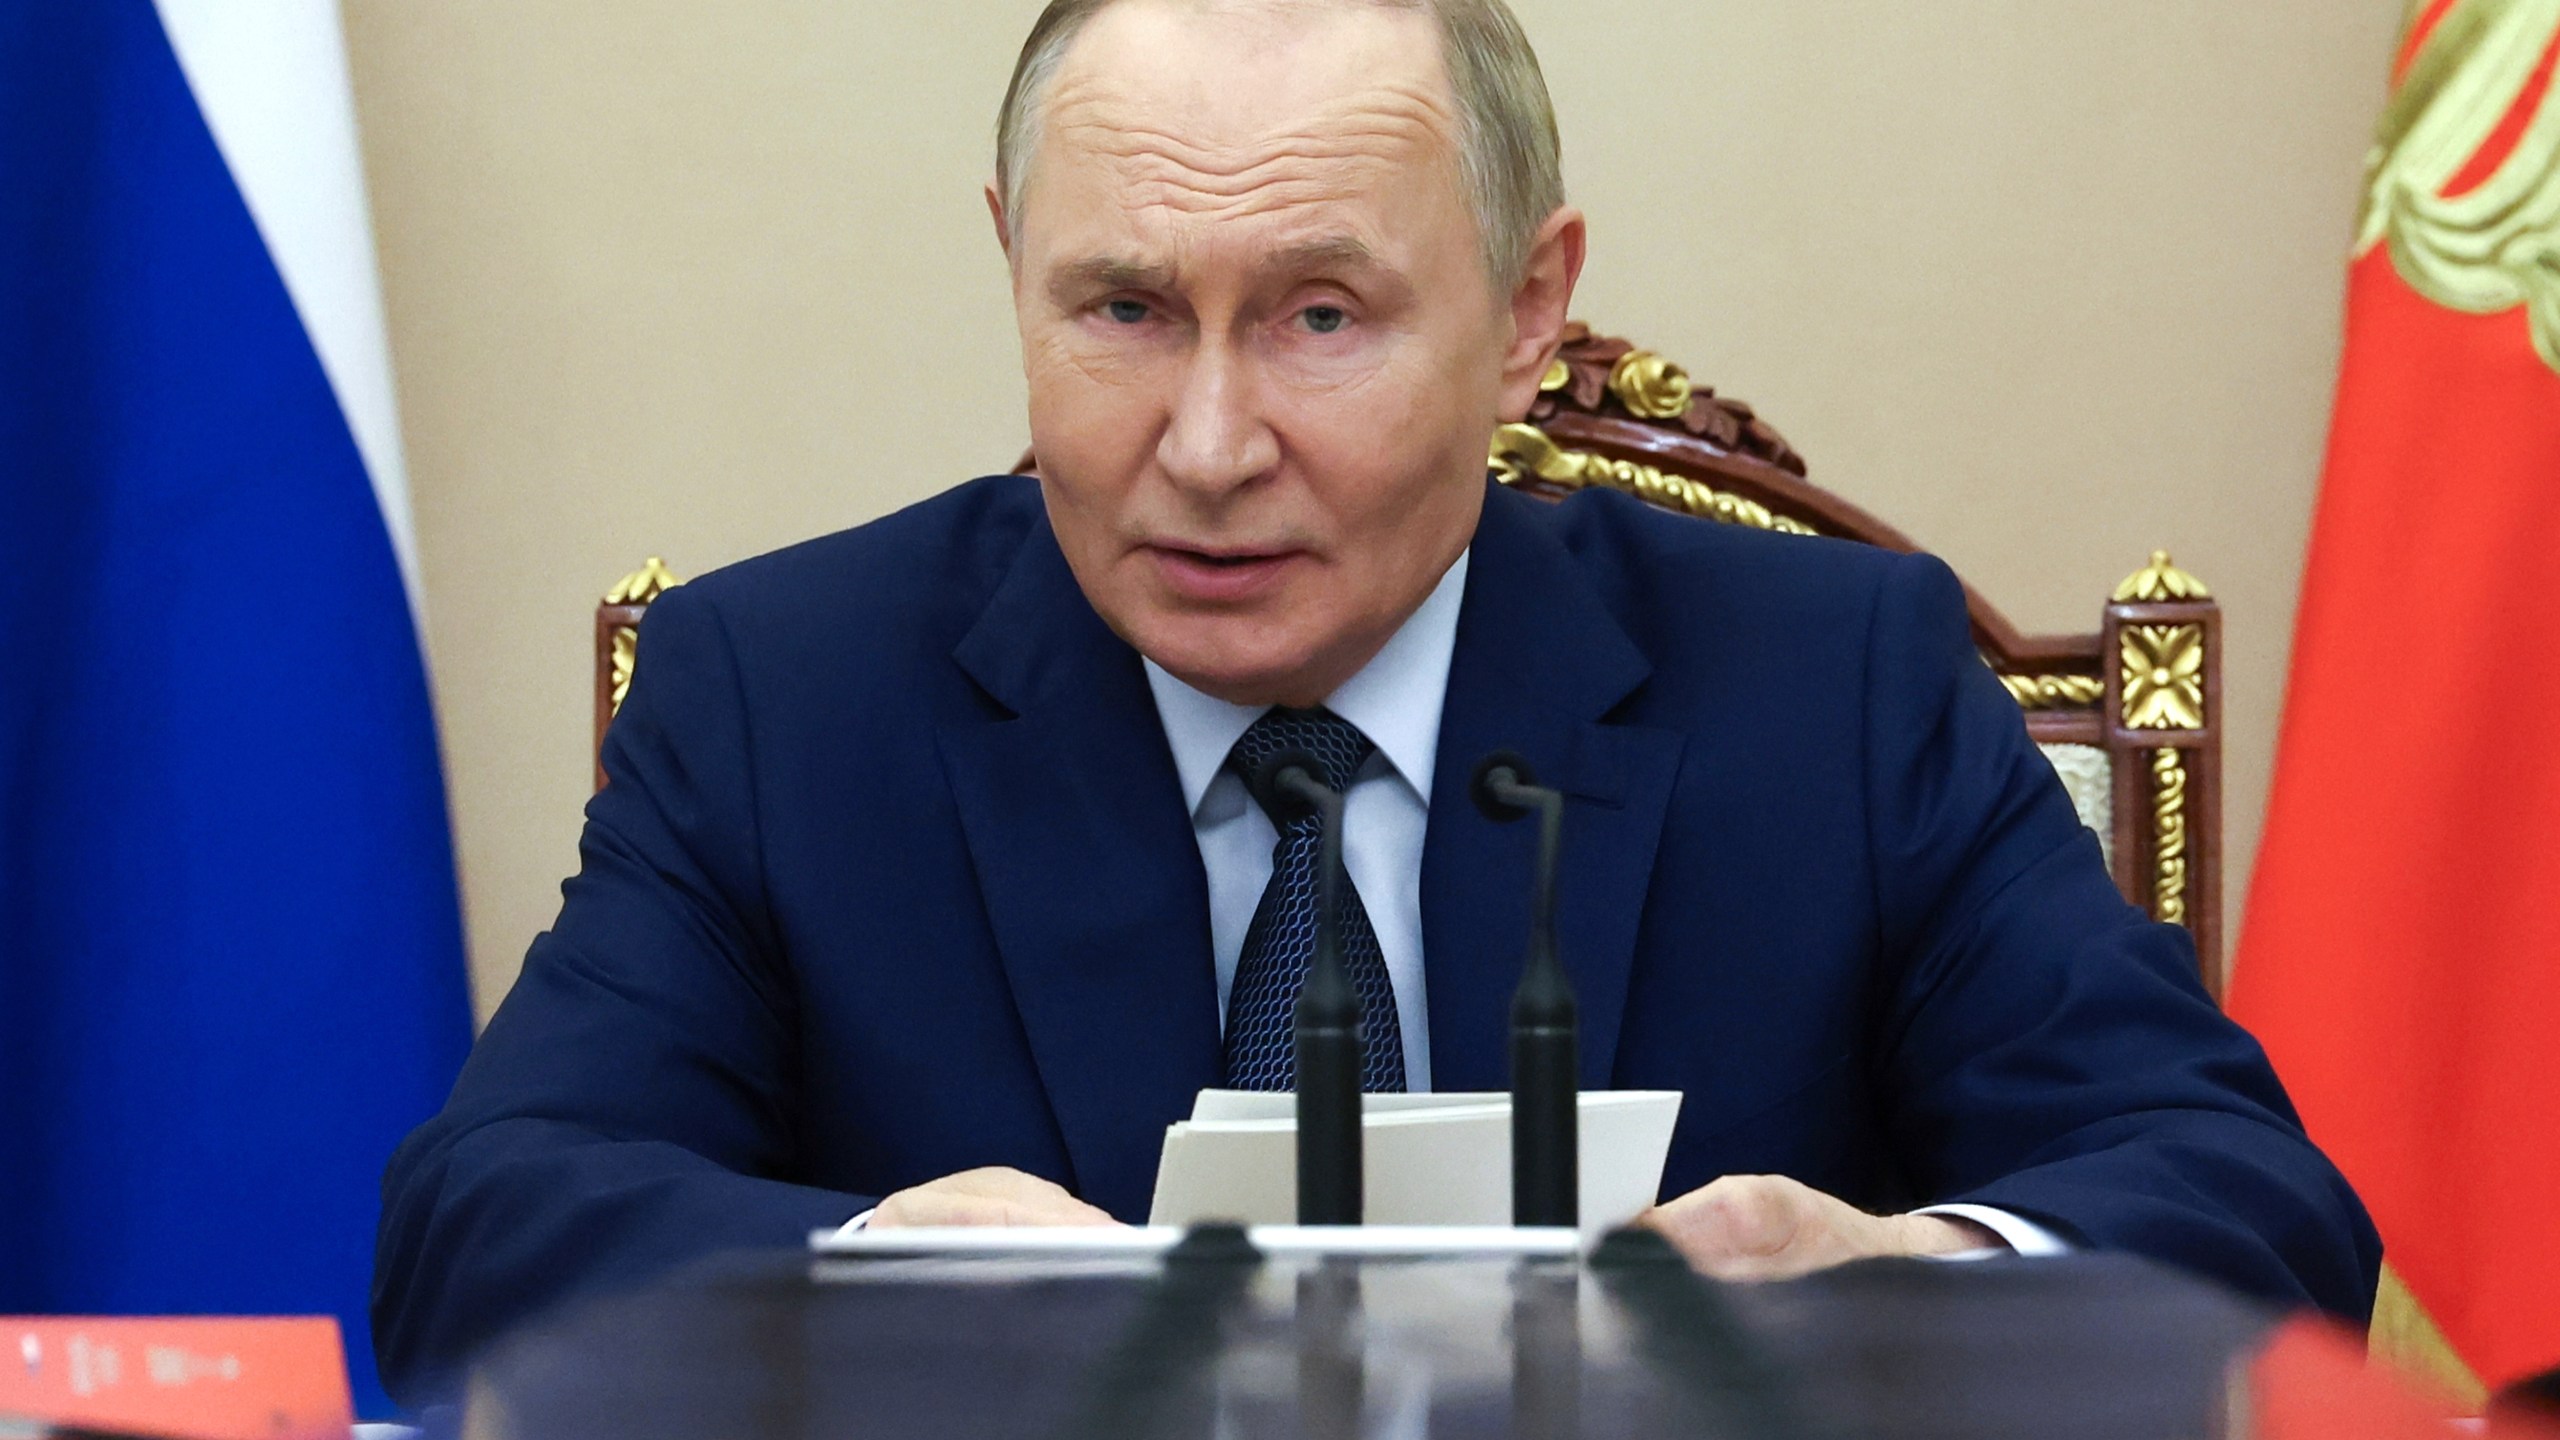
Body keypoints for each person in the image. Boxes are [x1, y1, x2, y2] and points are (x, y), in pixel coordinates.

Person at [372, 0, 2378, 1404]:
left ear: (1524, 309)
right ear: (1010, 266)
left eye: (1320, 317)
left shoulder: (1833, 682)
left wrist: (1903, 1293)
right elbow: (485, 1234)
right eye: (1122, 309)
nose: (1211, 440)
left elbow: (2249, 1221)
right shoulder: (782, 697)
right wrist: (884, 1281)